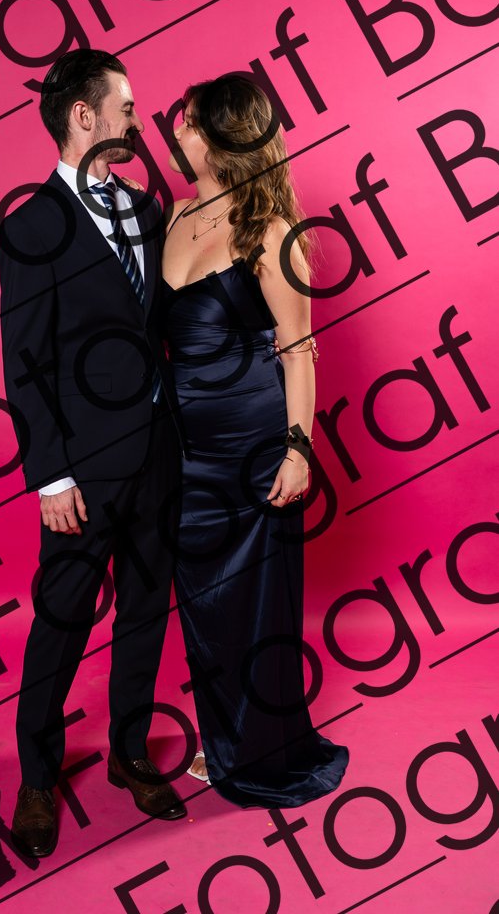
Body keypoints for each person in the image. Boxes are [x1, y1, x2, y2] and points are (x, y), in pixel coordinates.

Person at [0, 49, 187, 858]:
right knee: (62, 619)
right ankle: (36, 777)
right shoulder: (31, 225)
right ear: (86, 116)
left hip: (158, 453)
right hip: (80, 469)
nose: (137, 120)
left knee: (146, 609)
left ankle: (128, 752)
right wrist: (50, 476)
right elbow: (24, 361)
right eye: (127, 107)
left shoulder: (146, 209)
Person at [161, 74, 349, 807]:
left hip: (252, 447)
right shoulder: (173, 214)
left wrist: (299, 449)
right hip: (182, 452)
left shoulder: (268, 231)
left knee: (256, 603)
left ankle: (255, 748)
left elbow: (297, 350)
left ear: (220, 136)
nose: (176, 130)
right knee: (203, 603)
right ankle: (223, 733)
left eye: (187, 121)